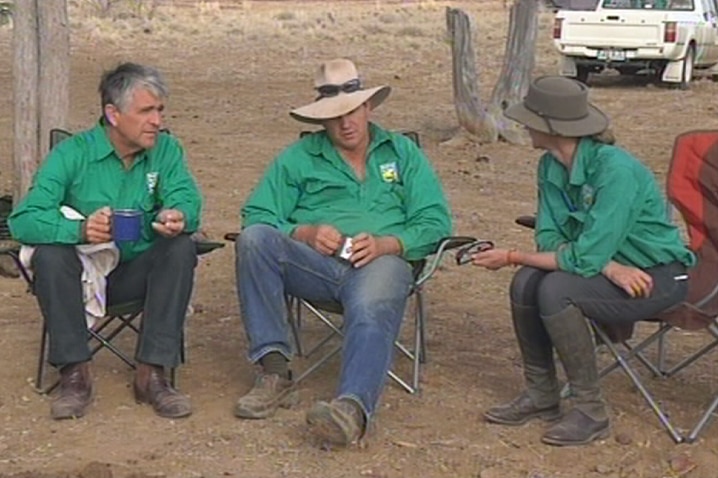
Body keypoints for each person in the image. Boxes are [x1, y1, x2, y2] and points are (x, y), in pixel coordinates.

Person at [235, 58, 452, 448]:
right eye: (334, 117)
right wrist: (305, 232)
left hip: (383, 264)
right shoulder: (298, 159)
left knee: (372, 301)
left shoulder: (402, 153)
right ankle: (274, 371)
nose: (345, 123)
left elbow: (435, 221)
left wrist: (389, 243)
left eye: (352, 112)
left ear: (368, 108)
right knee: (254, 240)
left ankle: (350, 409)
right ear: (320, 120)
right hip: (316, 266)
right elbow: (257, 214)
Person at [469, 76, 695, 446]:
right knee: (526, 281)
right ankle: (542, 394)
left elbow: (582, 254)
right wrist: (607, 265)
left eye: (530, 120)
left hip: (659, 275)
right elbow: (549, 236)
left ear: (551, 127)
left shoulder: (614, 171)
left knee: (557, 289)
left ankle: (591, 411)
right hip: (612, 272)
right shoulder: (550, 165)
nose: (524, 126)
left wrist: (511, 256)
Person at [8, 62, 202, 420]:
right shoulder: (72, 154)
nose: (157, 121)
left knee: (180, 247)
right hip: (81, 278)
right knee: (50, 255)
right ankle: (74, 374)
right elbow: (22, 220)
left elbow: (188, 200)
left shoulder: (166, 150)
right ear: (113, 114)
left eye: (159, 110)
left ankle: (153, 374)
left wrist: (177, 215)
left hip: (139, 274)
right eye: (146, 111)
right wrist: (80, 231)